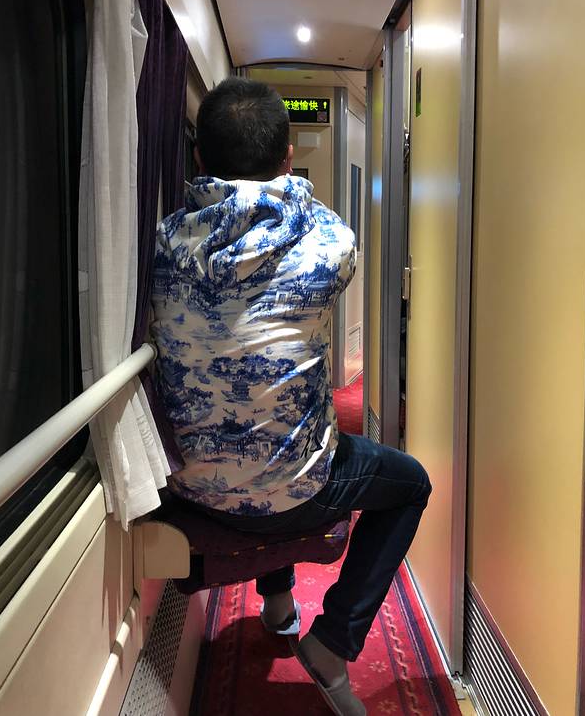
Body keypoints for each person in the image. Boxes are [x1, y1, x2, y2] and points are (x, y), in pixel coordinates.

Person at [151, 77, 432, 716]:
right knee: (408, 483)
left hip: (190, 490)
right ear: (286, 160)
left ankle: (278, 604)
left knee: (254, 413)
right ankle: (332, 642)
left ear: (197, 157)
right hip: (298, 495)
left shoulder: (163, 244)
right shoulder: (328, 245)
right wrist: (290, 186)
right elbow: (333, 230)